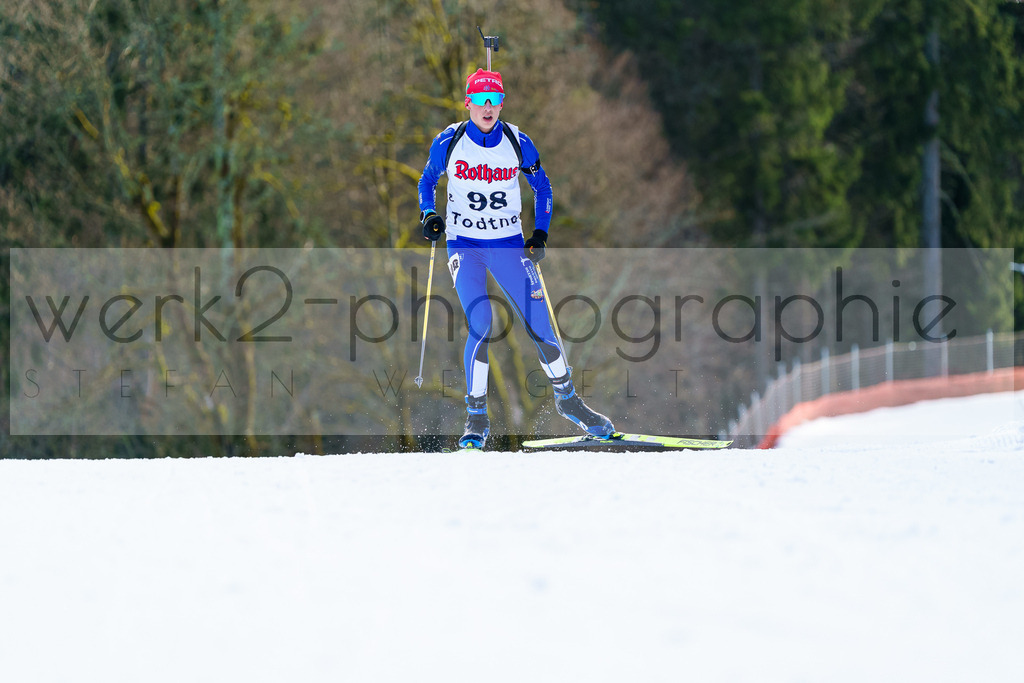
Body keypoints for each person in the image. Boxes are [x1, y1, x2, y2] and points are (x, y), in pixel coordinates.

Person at [417, 68, 614, 449]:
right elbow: (427, 180)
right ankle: (476, 417)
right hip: (465, 245)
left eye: (494, 101)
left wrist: (540, 232)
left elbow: (542, 187)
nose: (487, 108)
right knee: (482, 321)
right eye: (480, 101)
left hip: (508, 243)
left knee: (540, 324)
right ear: (468, 104)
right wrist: (429, 214)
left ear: (502, 104)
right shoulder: (450, 141)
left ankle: (569, 400)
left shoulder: (518, 141)